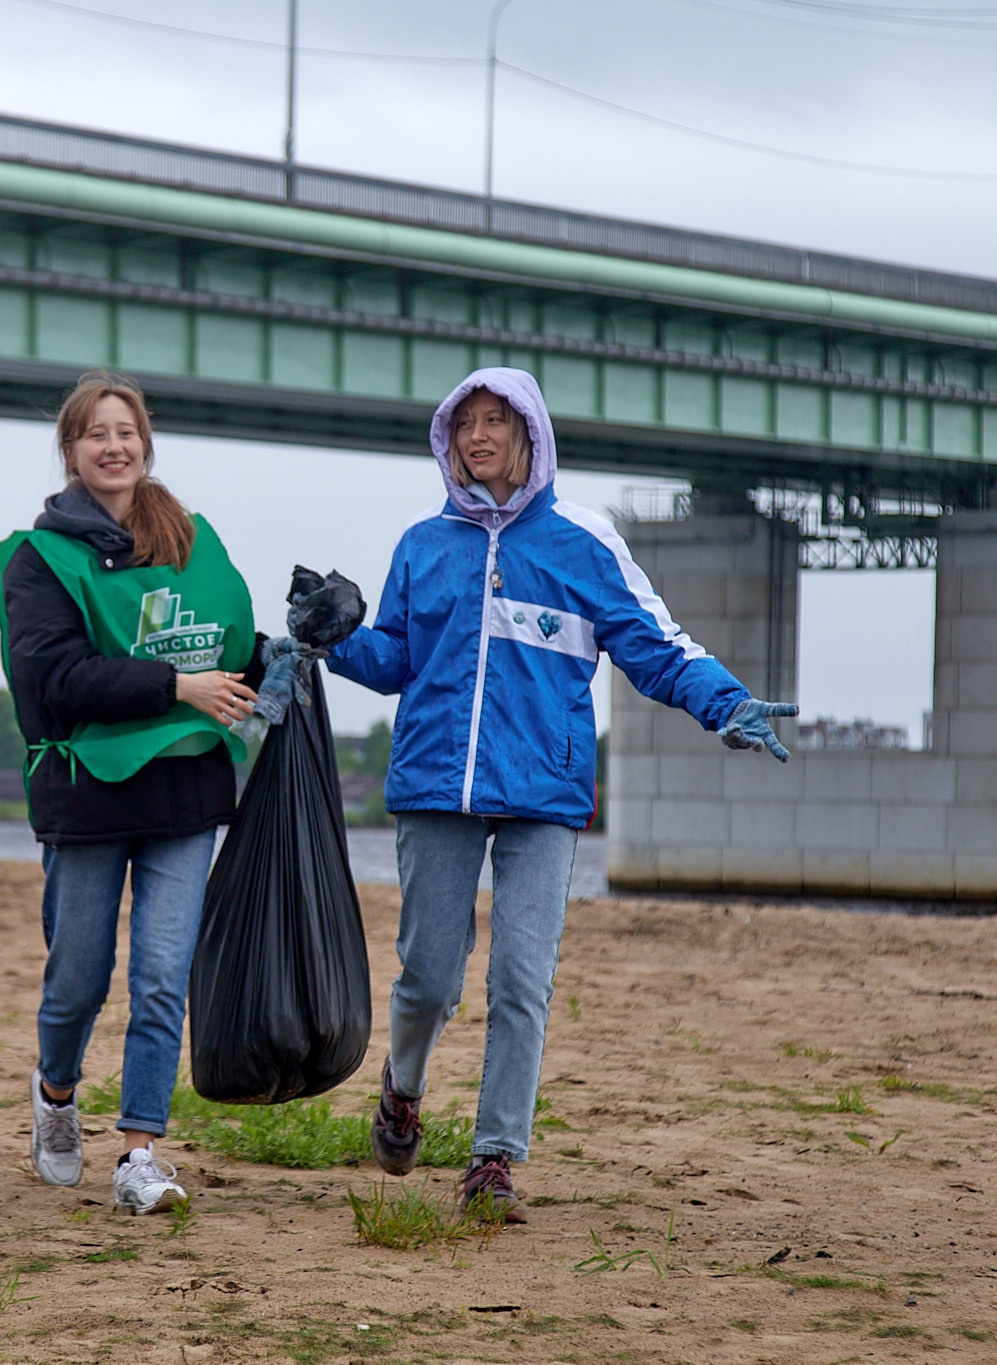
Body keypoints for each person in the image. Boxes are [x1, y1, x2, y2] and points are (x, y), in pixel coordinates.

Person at [327, 367, 795, 1222]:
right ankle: (403, 1086)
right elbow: (391, 659)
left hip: (544, 793)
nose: (478, 435)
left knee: (521, 978)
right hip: (437, 781)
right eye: (463, 421)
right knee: (430, 976)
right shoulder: (422, 545)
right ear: (448, 440)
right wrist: (335, 637)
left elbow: (658, 644)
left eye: (495, 420)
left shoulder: (584, 541)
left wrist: (725, 703)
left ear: (529, 434)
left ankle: (494, 1159)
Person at [0, 371, 266, 1214]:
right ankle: (58, 1093)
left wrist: (285, 648)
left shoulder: (192, 541)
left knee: (160, 975)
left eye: (127, 432)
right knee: (79, 974)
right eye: (95, 434)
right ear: (71, 451)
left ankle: (140, 1150)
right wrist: (180, 687)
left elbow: (232, 652)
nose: (114, 446)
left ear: (146, 444)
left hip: (183, 792)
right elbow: (57, 678)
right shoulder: (39, 558)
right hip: (89, 796)